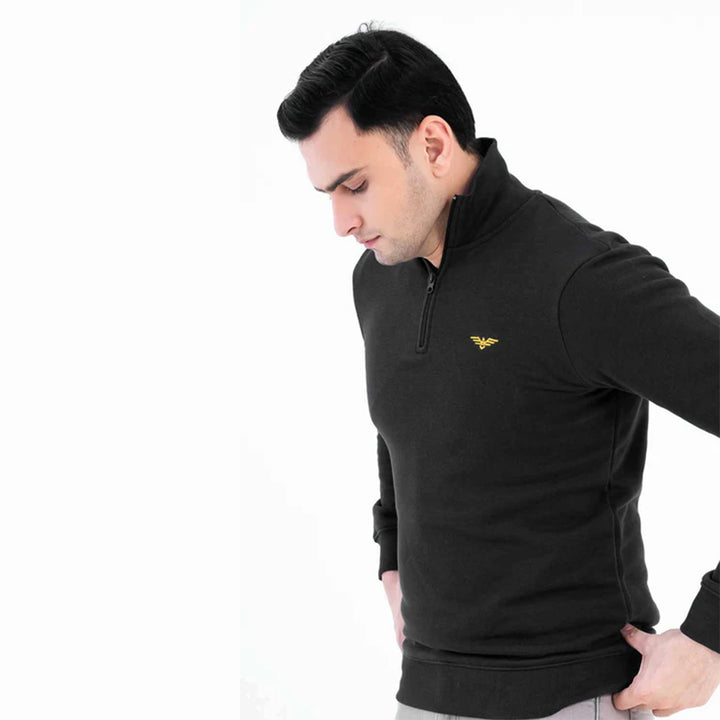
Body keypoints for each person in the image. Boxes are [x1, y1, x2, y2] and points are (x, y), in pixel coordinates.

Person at [276, 21, 720, 720]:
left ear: (432, 144)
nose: (341, 222)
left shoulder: (579, 279)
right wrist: (392, 552)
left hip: (569, 696)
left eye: (354, 185)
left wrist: (710, 636)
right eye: (327, 194)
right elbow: (404, 423)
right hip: (425, 693)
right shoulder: (379, 276)